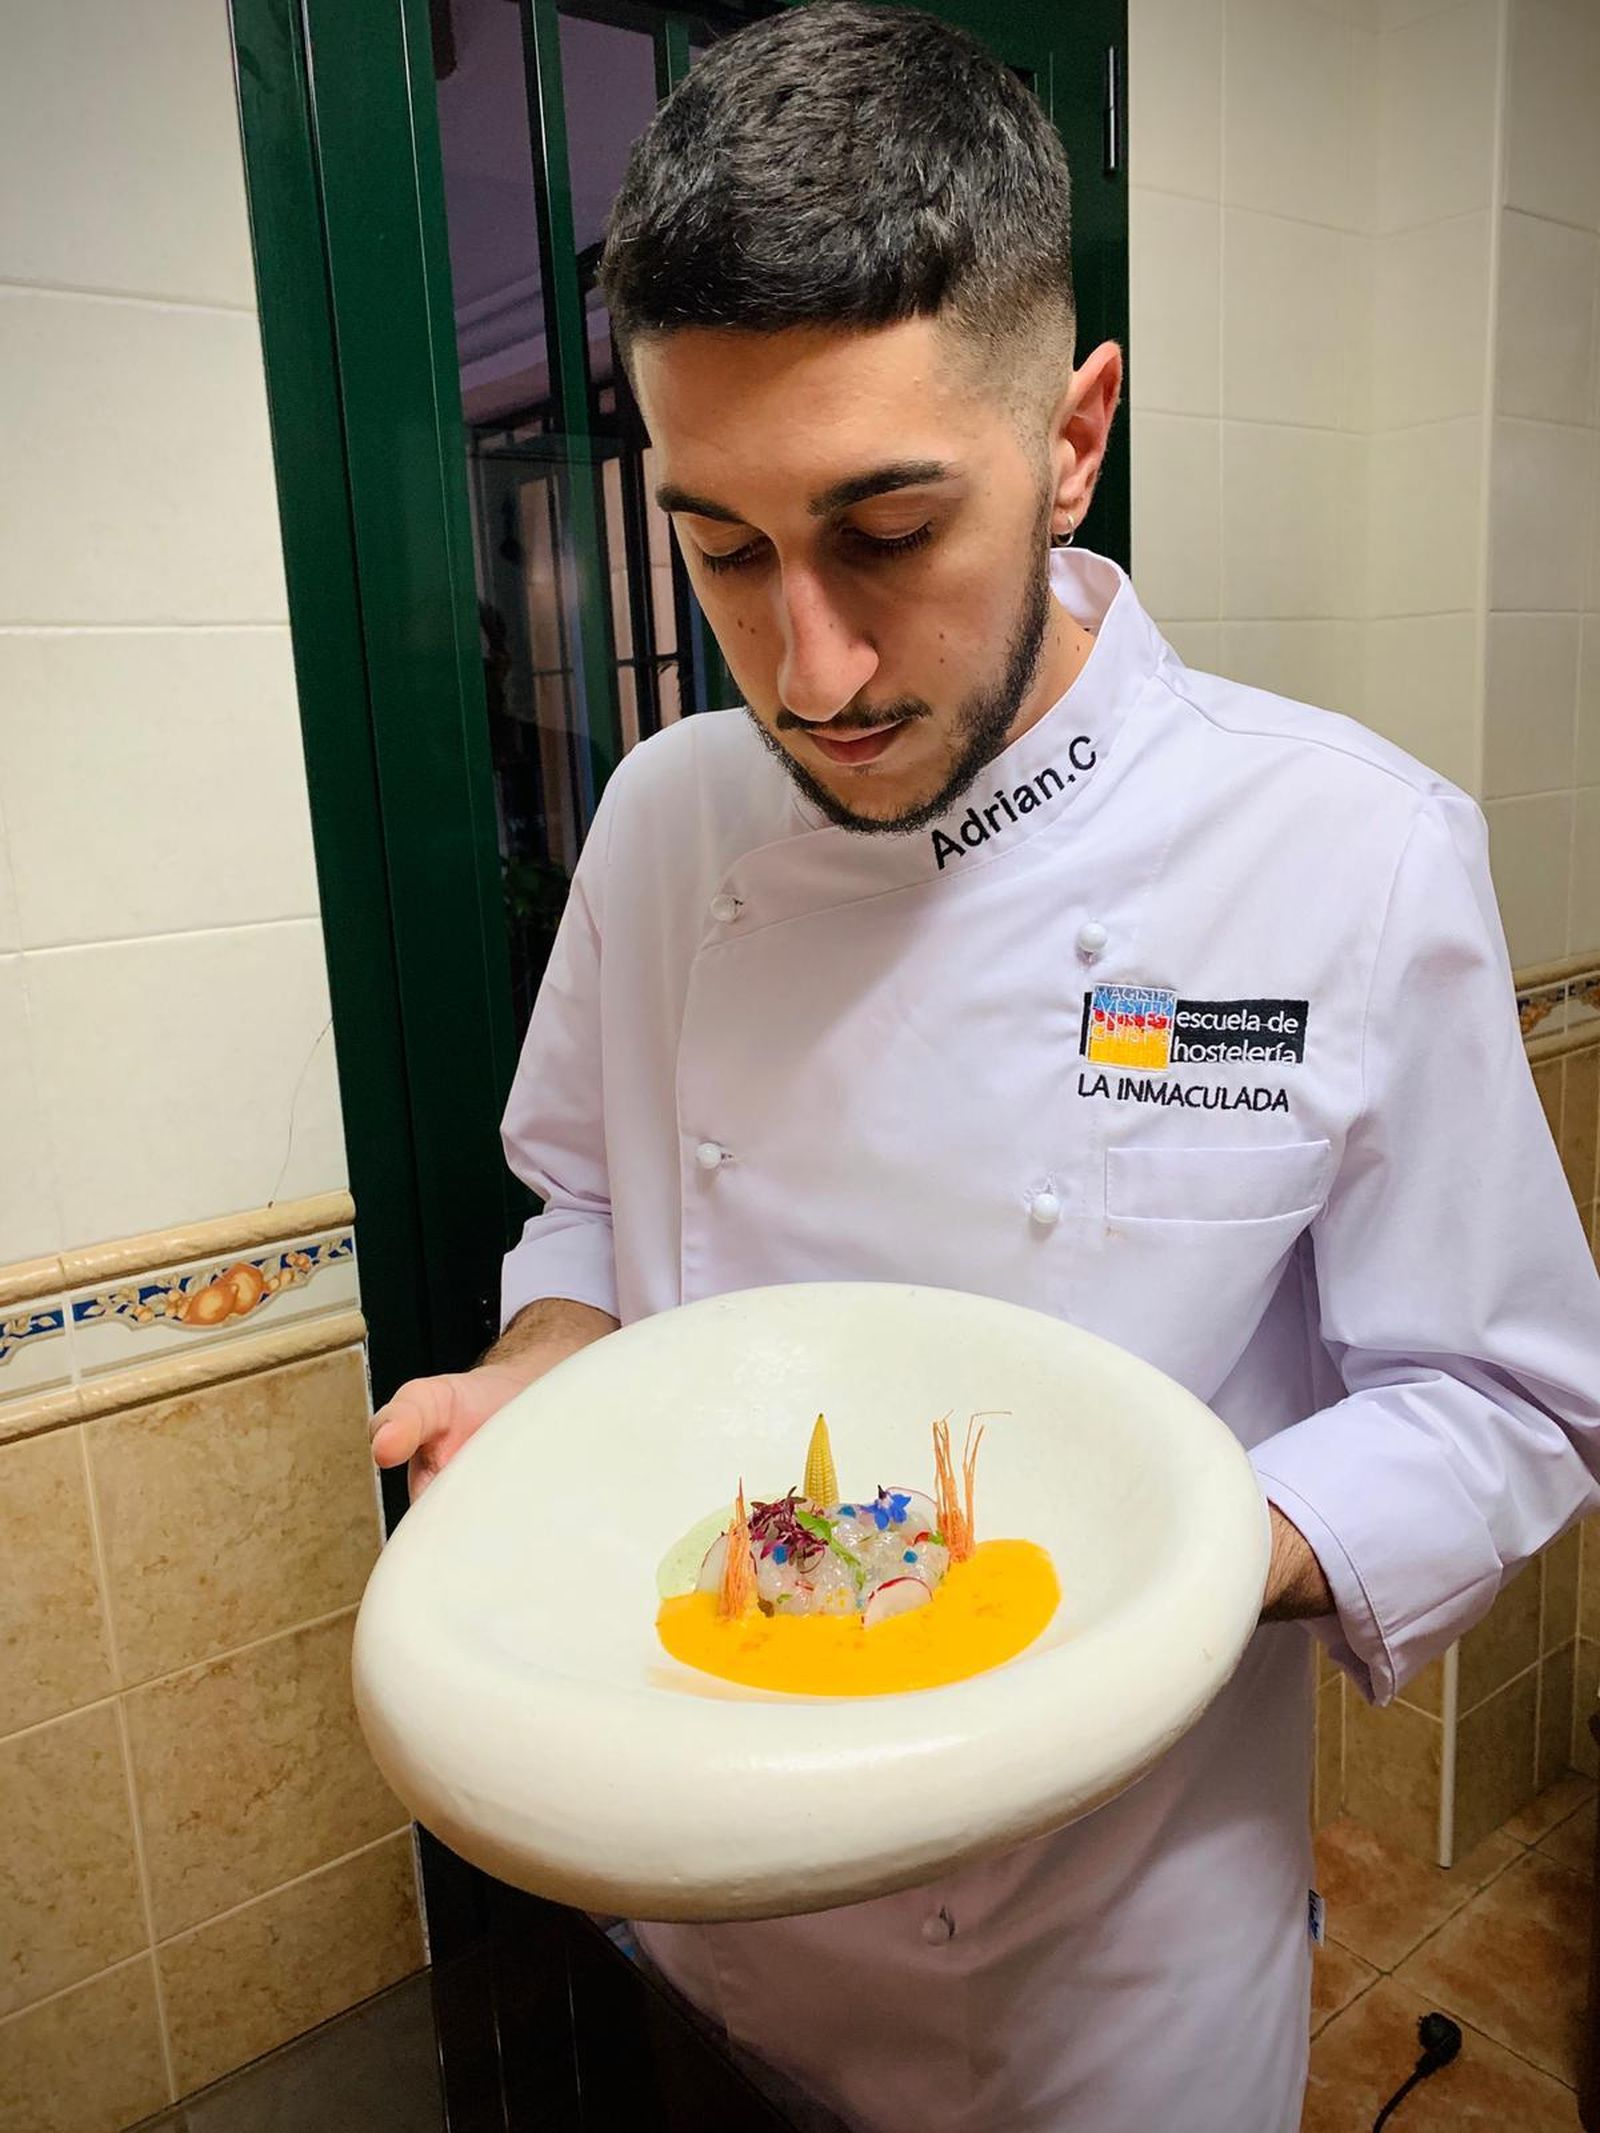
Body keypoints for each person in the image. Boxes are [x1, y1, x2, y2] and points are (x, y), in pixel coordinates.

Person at [369, 6, 1600, 2127]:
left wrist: (1170, 1553)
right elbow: (585, 1195)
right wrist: (547, 1357)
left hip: (1096, 1995)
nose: (809, 667)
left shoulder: (1343, 851)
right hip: (706, 1900)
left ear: (1073, 435)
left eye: (885, 528)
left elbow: (1508, 1397)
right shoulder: (663, 821)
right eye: (722, 547)